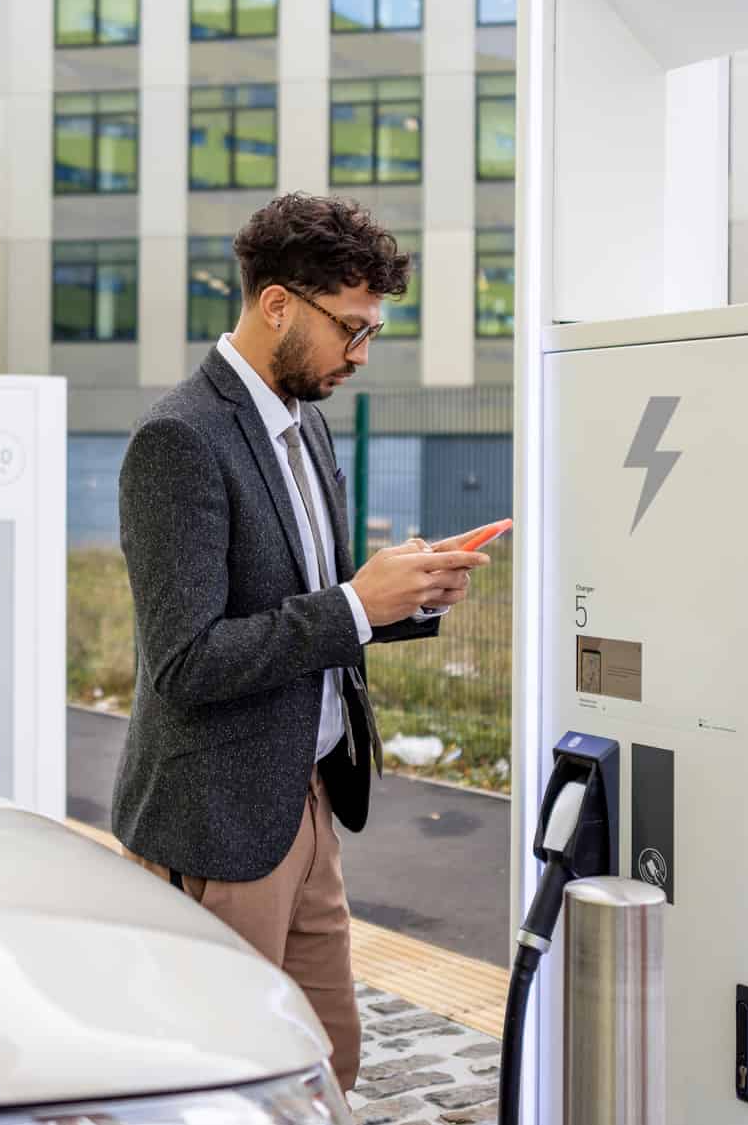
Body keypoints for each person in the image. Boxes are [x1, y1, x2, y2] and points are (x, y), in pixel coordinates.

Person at [112, 192, 492, 1092]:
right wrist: (358, 607)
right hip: (219, 823)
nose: (360, 354)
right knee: (229, 1081)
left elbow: (305, 606)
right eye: (350, 329)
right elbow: (187, 661)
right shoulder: (179, 439)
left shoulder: (304, 421)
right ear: (278, 304)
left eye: (373, 331)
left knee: (329, 1062)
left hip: (309, 796)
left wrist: (402, 595)